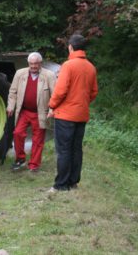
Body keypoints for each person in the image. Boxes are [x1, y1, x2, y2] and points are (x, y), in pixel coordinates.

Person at [47, 34, 98, 191]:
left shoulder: (68, 65)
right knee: (76, 149)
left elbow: (60, 91)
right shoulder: (91, 67)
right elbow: (94, 92)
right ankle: (73, 182)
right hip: (81, 115)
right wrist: (82, 103)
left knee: (63, 150)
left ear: (70, 47)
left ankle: (61, 185)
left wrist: (51, 105)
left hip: (65, 115)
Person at [7, 52, 56, 173]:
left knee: (38, 140)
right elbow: (12, 92)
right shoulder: (20, 73)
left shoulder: (49, 75)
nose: (33, 66)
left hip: (40, 112)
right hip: (24, 111)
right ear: (28, 63)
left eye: (36, 64)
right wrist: (11, 106)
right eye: (31, 64)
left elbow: (55, 95)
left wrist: (52, 110)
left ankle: (34, 165)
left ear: (41, 63)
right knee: (17, 133)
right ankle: (20, 159)